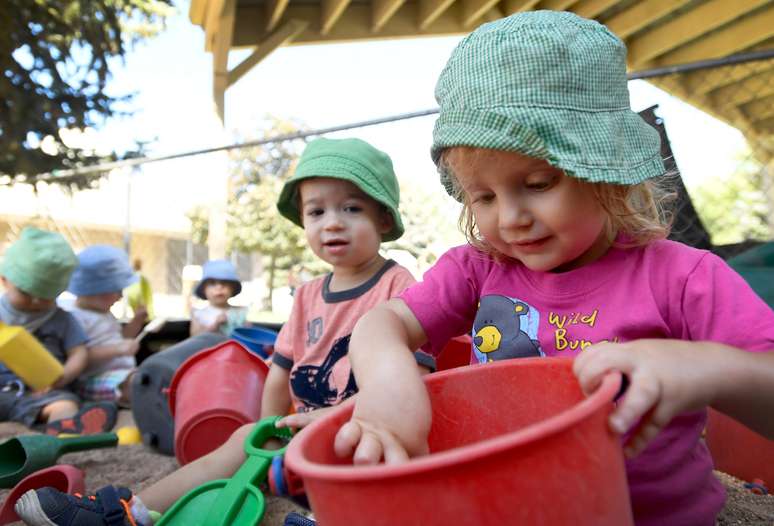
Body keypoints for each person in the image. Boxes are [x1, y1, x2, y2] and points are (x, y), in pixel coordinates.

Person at [330, 12, 774, 526]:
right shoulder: (478, 269)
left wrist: (703, 368)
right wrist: (387, 384)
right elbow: (382, 325)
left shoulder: (683, 276)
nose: (512, 218)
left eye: (539, 183)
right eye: (484, 197)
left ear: (605, 171)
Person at [15, 137, 435, 526]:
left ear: (383, 217)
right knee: (238, 441)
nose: (332, 224)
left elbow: (414, 380)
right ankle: (129, 511)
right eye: (316, 211)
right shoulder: (308, 295)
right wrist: (267, 428)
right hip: (301, 433)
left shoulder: (398, 286)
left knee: (388, 478)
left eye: (352, 209)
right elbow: (280, 371)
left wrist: (351, 418)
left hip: (363, 433)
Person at [0, 227, 117, 435]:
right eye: (26, 292)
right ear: (4, 280)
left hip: (43, 393)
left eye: (45, 296)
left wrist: (63, 376)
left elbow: (79, 352)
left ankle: (61, 433)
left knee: (65, 405)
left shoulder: (61, 318)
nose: (35, 301)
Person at [66, 245, 147, 406]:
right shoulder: (76, 317)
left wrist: (136, 323)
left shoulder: (104, 313)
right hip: (92, 379)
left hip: (120, 374)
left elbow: (121, 340)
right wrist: (118, 349)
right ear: (96, 290)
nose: (121, 296)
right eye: (117, 290)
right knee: (136, 384)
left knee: (149, 377)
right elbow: (80, 355)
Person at [189, 259, 247, 337]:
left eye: (225, 283)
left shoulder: (238, 313)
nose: (219, 287)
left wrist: (247, 329)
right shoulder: (199, 314)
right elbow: (195, 337)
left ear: (233, 288)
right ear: (203, 289)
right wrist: (215, 325)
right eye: (212, 283)